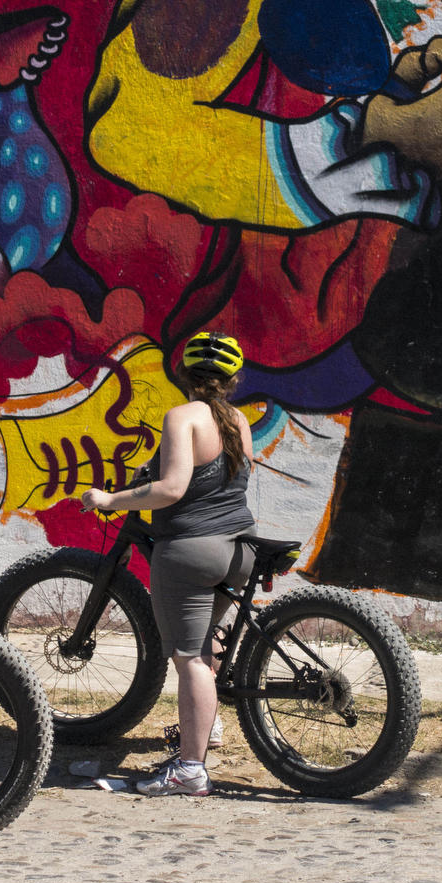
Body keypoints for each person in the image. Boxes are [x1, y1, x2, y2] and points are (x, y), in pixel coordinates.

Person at [80, 332, 256, 798]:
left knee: (190, 658)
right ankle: (207, 728)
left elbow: (173, 488)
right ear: (233, 380)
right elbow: (229, 482)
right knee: (205, 642)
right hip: (239, 549)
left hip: (192, 552)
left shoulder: (182, 417)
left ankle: (191, 771)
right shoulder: (239, 419)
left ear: (183, 375)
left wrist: (111, 499)